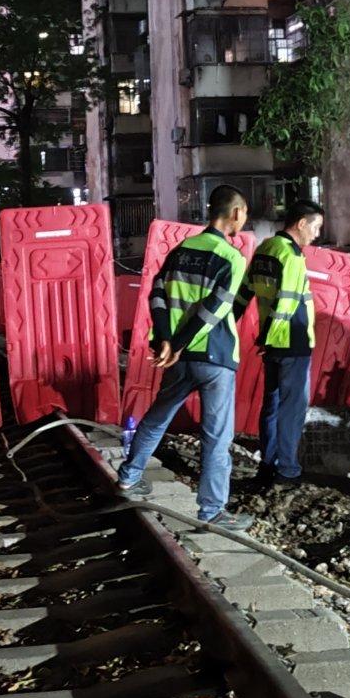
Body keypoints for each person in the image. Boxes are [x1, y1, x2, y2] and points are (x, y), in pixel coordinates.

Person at [116, 185, 253, 531]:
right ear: (235, 214)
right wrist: (178, 342)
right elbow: (215, 309)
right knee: (216, 436)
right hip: (214, 356)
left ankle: (129, 477)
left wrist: (166, 339)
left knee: (158, 417)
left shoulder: (181, 250)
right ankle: (211, 511)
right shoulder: (233, 258)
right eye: (245, 214)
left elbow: (156, 295)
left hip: (176, 358)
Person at [236, 199, 323, 488]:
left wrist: (257, 335)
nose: (317, 234)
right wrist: (270, 336)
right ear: (301, 224)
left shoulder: (265, 249)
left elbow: (244, 292)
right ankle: (287, 470)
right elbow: (286, 302)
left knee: (271, 406)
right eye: (316, 227)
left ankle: (268, 465)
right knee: (292, 409)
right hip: (292, 342)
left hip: (272, 345)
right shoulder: (292, 256)